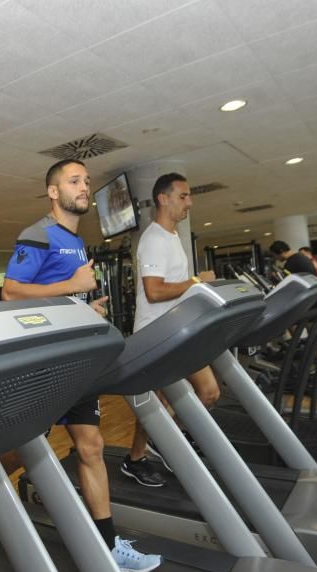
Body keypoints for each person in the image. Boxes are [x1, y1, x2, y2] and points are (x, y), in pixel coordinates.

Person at [0, 159, 162, 572]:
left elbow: (51, 300)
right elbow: (11, 293)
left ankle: (108, 546)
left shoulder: (75, 241)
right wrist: (72, 287)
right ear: (53, 192)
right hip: (45, 366)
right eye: (75, 182)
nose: (84, 187)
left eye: (87, 181)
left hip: (76, 359)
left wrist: (78, 307)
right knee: (26, 448)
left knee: (91, 447)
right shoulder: (38, 234)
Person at [123, 173, 219, 488]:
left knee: (201, 394)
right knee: (165, 401)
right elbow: (154, 291)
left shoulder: (173, 236)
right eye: (183, 196)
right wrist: (196, 282)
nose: (189, 202)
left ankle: (153, 448)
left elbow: (174, 287)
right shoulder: (152, 239)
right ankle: (148, 452)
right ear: (164, 199)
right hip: (155, 335)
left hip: (175, 331)